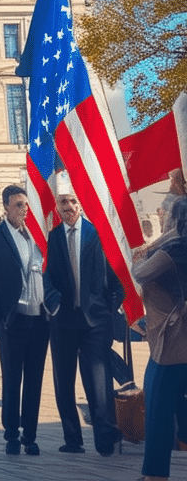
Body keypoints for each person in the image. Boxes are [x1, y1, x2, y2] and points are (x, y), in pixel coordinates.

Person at [42, 172, 124, 456]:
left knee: (98, 381)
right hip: (63, 320)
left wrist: (110, 306)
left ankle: (104, 437)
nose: (67, 207)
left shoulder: (98, 233)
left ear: (81, 204)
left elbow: (116, 275)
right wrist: (52, 301)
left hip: (95, 322)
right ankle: (72, 439)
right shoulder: (50, 239)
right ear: (58, 206)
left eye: (72, 201)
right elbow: (46, 276)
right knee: (63, 382)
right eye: (63, 202)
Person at [0, 185, 49, 456]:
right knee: (12, 380)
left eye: (26, 204)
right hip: (13, 319)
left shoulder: (38, 237)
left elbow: (50, 272)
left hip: (39, 319)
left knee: (34, 379)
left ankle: (30, 435)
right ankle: (11, 433)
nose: (24, 209)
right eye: (18, 204)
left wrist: (51, 303)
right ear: (6, 207)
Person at [131, 196, 187, 481]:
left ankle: (155, 475)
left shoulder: (171, 251)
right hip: (179, 342)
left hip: (171, 343)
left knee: (157, 411)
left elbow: (139, 273)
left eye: (165, 215)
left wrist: (152, 245)